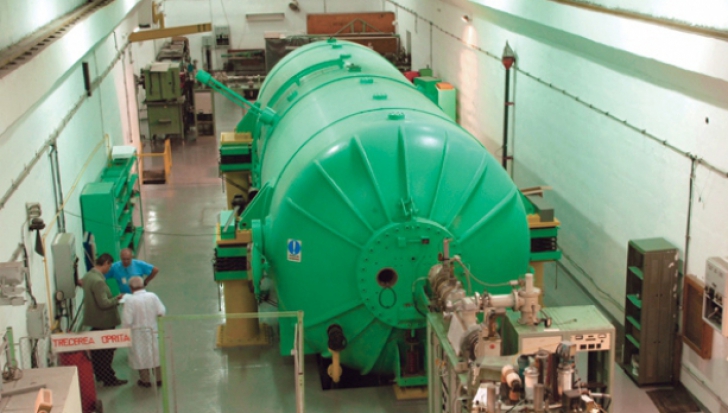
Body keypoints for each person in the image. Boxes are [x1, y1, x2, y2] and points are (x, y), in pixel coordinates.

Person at [81, 253, 127, 387]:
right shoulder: (99, 281)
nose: (109, 268)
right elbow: (104, 303)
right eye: (109, 265)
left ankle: (100, 374)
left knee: (97, 352)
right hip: (104, 321)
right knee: (107, 352)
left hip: (95, 320)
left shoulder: (88, 276)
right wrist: (117, 299)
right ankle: (109, 378)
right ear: (106, 263)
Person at [122, 276, 166, 388]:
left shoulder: (130, 301)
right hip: (153, 330)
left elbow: (127, 321)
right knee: (155, 353)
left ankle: (145, 380)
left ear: (131, 288)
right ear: (143, 285)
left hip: (137, 333)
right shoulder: (152, 296)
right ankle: (159, 379)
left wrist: (125, 331)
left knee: (140, 356)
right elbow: (161, 311)